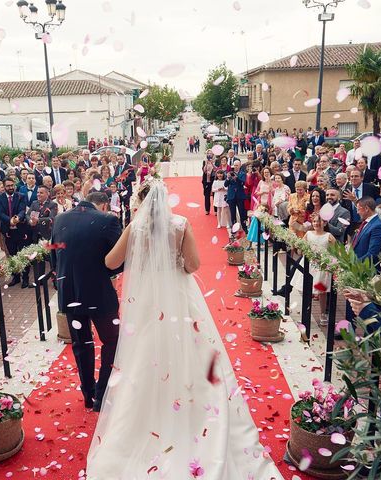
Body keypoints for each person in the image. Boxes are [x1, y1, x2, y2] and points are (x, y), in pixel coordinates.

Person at [86, 179, 282, 479]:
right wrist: (173, 259)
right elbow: (193, 265)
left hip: (148, 302)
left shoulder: (135, 227)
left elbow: (110, 261)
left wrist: (142, 260)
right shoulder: (179, 224)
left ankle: (141, 426)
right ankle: (191, 413)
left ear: (141, 201)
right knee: (192, 353)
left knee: (143, 358)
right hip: (178, 297)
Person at [50, 192, 122, 412]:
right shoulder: (108, 220)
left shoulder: (60, 219)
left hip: (70, 294)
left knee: (81, 344)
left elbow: (53, 256)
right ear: (102, 205)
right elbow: (117, 262)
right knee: (111, 342)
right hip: (99, 295)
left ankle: (88, 393)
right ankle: (102, 394)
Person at [0, 178, 30, 287]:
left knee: (24, 254)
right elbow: (0, 213)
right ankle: (16, 277)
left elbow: (22, 210)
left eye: (12, 185)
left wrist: (17, 218)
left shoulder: (20, 196)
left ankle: (25, 278)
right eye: (8, 186)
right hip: (8, 230)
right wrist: (10, 221)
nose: (10, 187)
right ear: (4, 187)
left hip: (21, 229)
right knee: (12, 254)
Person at [305, 215, 336, 326]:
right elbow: (303, 248)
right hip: (310, 264)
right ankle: (306, 312)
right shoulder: (308, 234)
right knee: (307, 289)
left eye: (319, 221)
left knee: (322, 291)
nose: (316, 223)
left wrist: (329, 262)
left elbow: (335, 251)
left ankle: (323, 313)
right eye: (314, 221)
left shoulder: (328, 236)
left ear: (325, 223)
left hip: (323, 265)